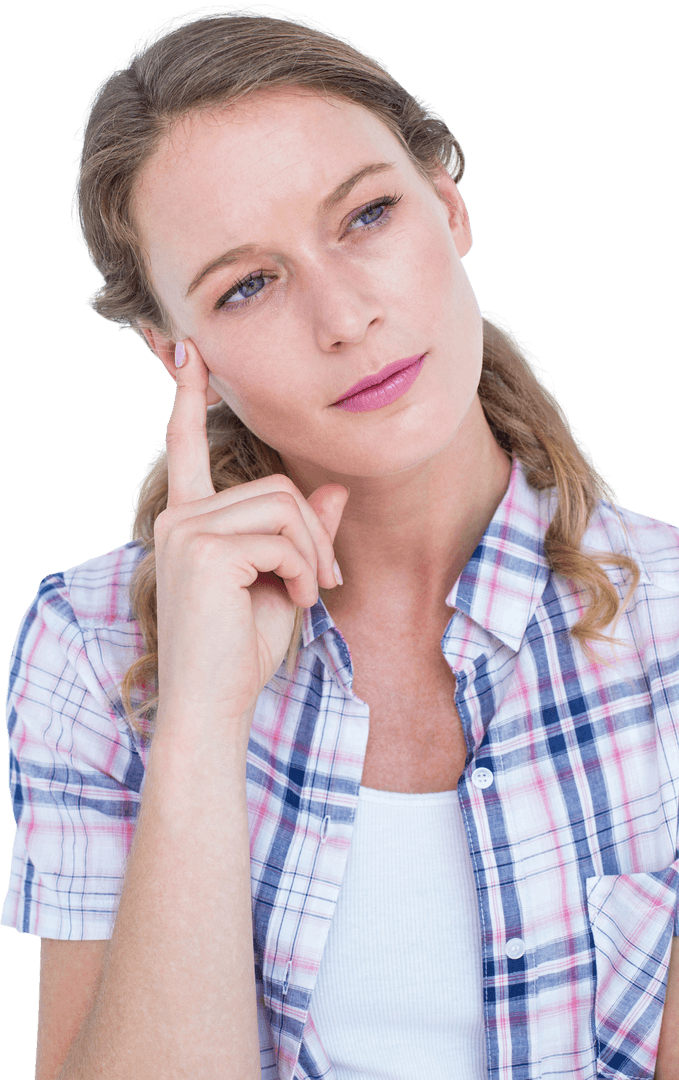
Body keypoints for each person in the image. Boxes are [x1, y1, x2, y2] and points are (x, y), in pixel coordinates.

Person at [2, 7, 677, 1079]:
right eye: (248, 285)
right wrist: (200, 723)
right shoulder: (88, 647)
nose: (343, 315)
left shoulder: (668, 627)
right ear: (183, 354)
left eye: (365, 217)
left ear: (446, 204)